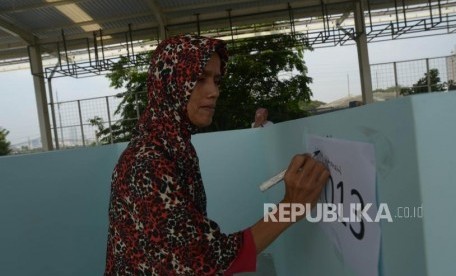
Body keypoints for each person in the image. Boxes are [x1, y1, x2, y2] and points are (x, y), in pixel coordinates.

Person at [104, 34, 329, 275]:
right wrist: (292, 207)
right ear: (170, 83)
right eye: (199, 79)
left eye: (216, 80)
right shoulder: (148, 161)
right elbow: (203, 260)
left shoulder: (172, 146)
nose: (214, 92)